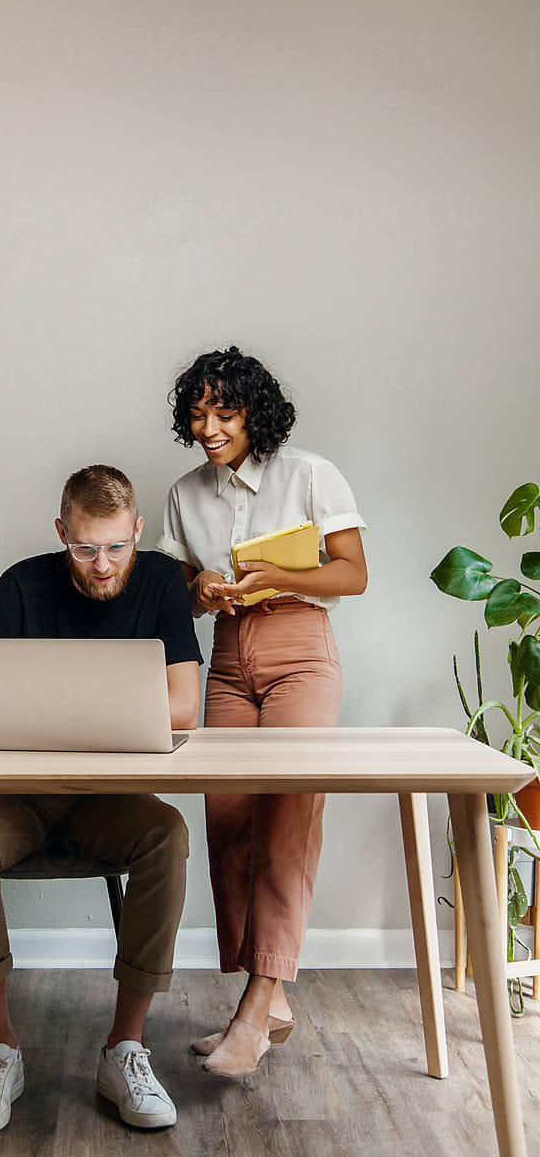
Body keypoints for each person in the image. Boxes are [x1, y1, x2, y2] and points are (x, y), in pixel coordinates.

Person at [0, 464, 201, 1135]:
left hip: (109, 800)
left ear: (138, 531)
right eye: (85, 548)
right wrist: (82, 712)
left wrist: (43, 708)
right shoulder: (23, 583)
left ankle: (126, 1049)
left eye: (116, 547)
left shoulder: (164, 581)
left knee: (167, 833)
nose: (102, 564)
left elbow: (184, 706)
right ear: (62, 533)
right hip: (14, 798)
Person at [157, 346, 367, 1078]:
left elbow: (354, 573)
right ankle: (266, 998)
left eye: (225, 411)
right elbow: (174, 590)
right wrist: (202, 589)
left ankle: (256, 1007)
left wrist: (278, 573)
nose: (209, 426)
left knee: (286, 818)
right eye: (198, 413)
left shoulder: (309, 472)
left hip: (300, 647)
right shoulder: (186, 492)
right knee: (230, 819)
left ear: (256, 410)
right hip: (227, 651)